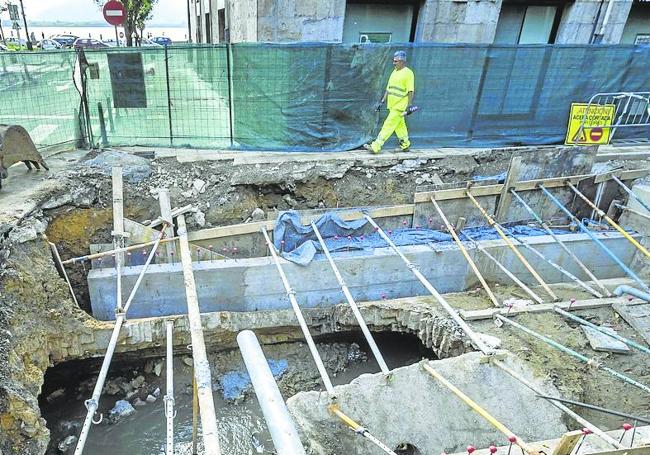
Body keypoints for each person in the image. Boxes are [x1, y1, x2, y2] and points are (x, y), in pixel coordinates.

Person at [364, 50, 415, 154]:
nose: (394, 63)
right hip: (392, 105)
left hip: (400, 106)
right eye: (394, 61)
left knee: (388, 125)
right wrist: (382, 101)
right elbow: (389, 88)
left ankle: (376, 146)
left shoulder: (408, 73)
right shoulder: (394, 72)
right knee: (400, 126)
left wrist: (409, 105)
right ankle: (405, 145)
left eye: (396, 61)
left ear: (402, 62)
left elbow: (410, 90)